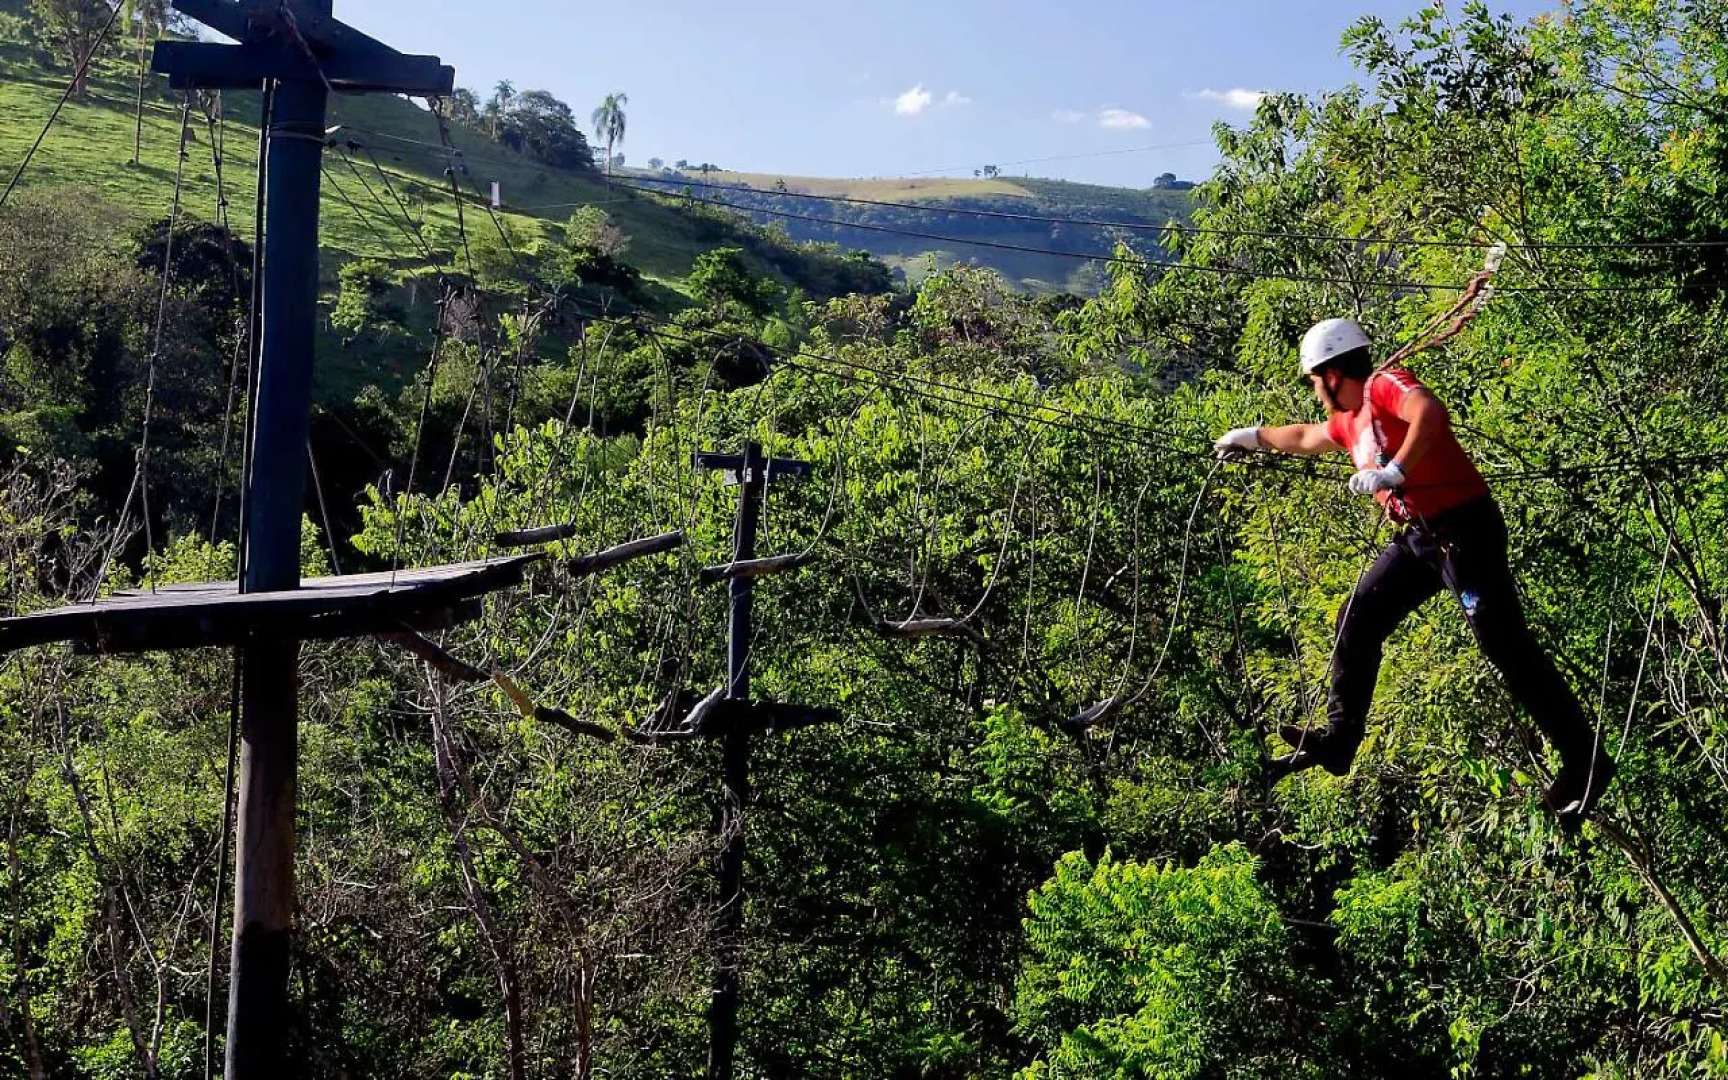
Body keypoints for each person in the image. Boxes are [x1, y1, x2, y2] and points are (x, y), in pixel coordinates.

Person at [1213, 317, 1615, 822]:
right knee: (1356, 619)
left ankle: (1585, 760)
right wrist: (1251, 437)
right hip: (1421, 538)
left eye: (1316, 382)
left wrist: (1397, 468)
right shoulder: (1349, 421)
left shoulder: (1384, 385)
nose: (1317, 393)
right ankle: (1339, 741)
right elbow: (1306, 435)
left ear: (1333, 374)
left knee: (1505, 645)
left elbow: (1428, 411)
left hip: (1466, 531)